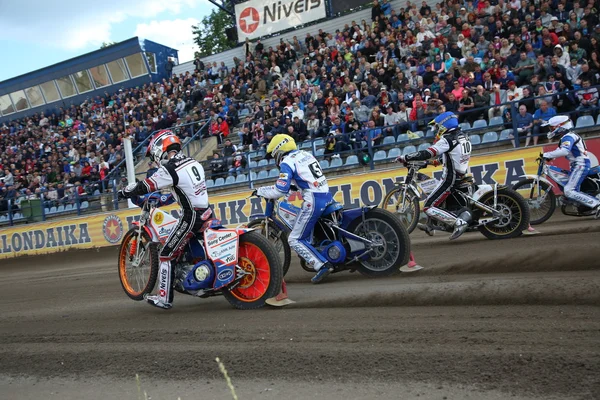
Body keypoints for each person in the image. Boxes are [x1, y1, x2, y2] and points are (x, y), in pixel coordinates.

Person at [118, 130, 211, 309]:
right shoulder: (192, 162)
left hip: (191, 216)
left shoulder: (169, 168)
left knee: (166, 254)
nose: (154, 161)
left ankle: (164, 298)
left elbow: (146, 185)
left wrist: (127, 191)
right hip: (206, 211)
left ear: (160, 149)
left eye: (154, 156)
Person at [254, 134, 335, 284]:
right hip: (326, 194)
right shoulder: (304, 154)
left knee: (294, 239)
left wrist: (261, 191)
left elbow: (280, 190)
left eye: (273, 155)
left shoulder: (287, 162)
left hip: (313, 199)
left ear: (278, 151)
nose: (274, 159)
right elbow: (299, 181)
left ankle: (322, 265)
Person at [395, 112, 473, 240]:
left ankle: (458, 222)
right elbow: (449, 158)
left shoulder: (448, 139)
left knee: (428, 206)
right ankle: (430, 226)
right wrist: (430, 163)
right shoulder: (462, 136)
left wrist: (406, 157)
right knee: (432, 191)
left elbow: (428, 153)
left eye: (437, 127)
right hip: (460, 174)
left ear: (444, 125)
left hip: (450, 179)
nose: (436, 130)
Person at [542, 116, 600, 218]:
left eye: (551, 128)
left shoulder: (568, 136)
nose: (550, 130)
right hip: (578, 165)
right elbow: (561, 151)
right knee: (570, 190)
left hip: (580, 165)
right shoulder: (568, 136)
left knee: (569, 191)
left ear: (559, 126)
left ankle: (597, 204)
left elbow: (564, 151)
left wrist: (547, 155)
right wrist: (550, 157)